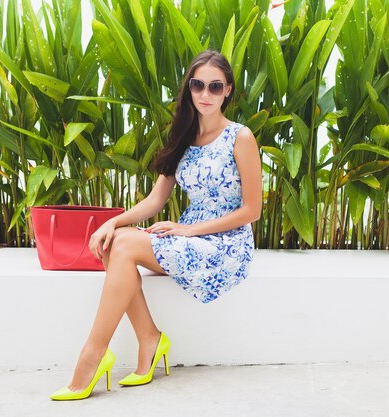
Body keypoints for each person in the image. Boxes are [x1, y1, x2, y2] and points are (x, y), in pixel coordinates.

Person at [50, 50, 262, 400]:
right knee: (114, 242)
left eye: (214, 86)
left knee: (124, 245)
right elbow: (154, 201)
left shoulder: (240, 137)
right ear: (189, 89)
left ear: (227, 91)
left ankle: (94, 355)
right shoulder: (183, 137)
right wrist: (111, 222)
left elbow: (252, 210)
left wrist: (187, 230)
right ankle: (149, 338)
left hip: (226, 244)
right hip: (188, 236)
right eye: (198, 85)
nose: (205, 94)